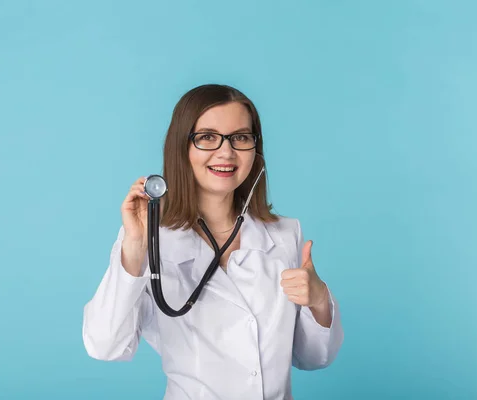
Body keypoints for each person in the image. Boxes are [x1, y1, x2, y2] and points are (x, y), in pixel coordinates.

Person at [82, 84, 344, 399]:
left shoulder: (285, 235)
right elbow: (104, 345)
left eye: (241, 137)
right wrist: (135, 247)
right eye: (207, 137)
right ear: (182, 148)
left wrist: (318, 300)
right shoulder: (151, 237)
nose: (226, 152)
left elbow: (314, 358)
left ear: (255, 150)